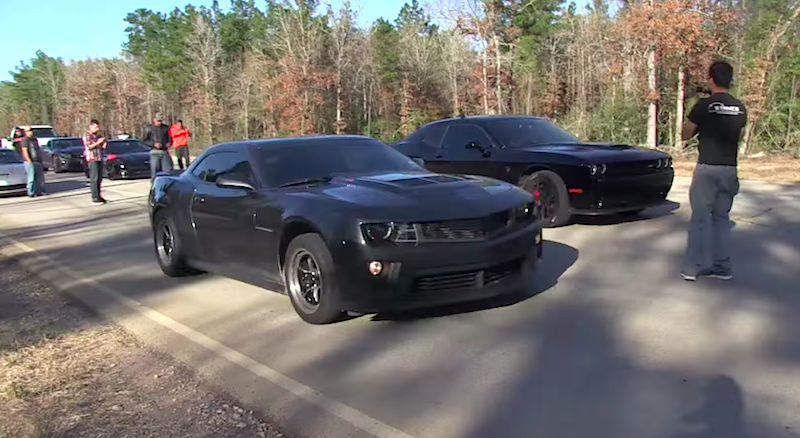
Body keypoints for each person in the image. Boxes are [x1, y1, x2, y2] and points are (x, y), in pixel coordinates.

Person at [680, 60, 747, 281]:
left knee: (699, 218)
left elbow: (685, 134)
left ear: (710, 79)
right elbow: (738, 135)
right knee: (721, 219)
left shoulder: (703, 105)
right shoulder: (740, 107)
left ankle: (692, 267)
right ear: (730, 80)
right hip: (729, 169)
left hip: (707, 168)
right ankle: (722, 267)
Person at [83, 119, 108, 205]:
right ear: (91, 126)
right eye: (95, 127)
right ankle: (94, 197)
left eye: (98, 127)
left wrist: (103, 144)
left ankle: (99, 196)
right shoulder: (87, 136)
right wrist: (98, 143)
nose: (97, 129)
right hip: (92, 158)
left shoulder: (97, 136)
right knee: (94, 178)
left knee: (99, 178)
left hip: (99, 158)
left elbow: (101, 146)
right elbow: (89, 147)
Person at [20, 126, 45, 197]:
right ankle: (31, 192)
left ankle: (39, 191)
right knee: (31, 178)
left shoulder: (35, 139)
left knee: (39, 178)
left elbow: (38, 150)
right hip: (30, 162)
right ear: (26, 132)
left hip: (38, 161)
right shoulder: (25, 140)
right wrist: (28, 160)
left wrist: (41, 159)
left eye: (31, 130)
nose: (31, 132)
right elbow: (25, 151)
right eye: (29, 131)